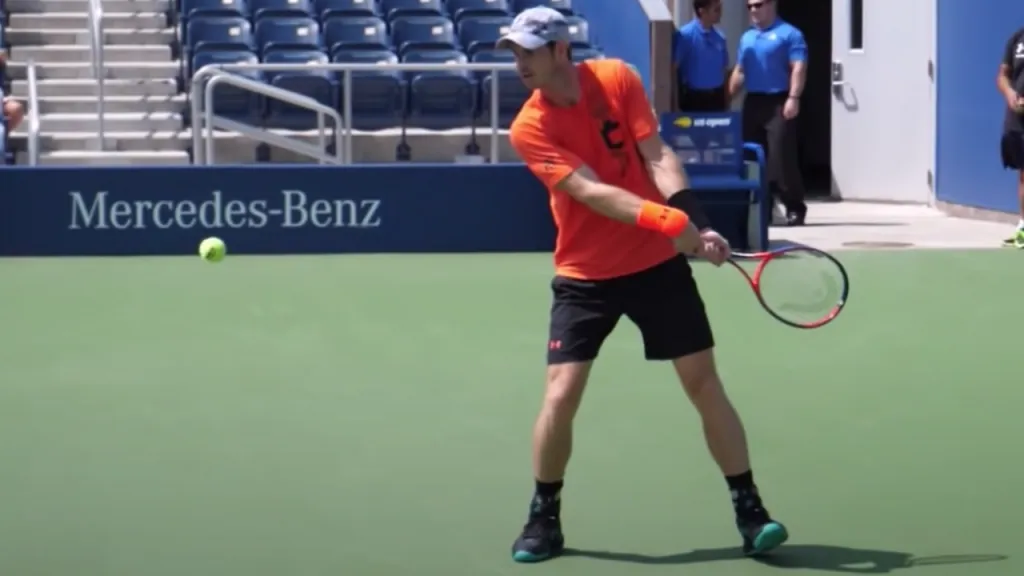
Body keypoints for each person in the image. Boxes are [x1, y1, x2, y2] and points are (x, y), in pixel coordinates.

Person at [499, 6, 789, 565]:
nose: (520, 64)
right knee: (560, 396)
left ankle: (751, 512)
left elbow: (657, 155)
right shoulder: (528, 128)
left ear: (560, 50)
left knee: (704, 383)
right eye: (513, 53)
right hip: (584, 276)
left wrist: (696, 221)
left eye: (528, 51)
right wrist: (669, 224)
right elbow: (589, 191)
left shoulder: (616, 78)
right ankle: (543, 518)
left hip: (656, 268)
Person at [728, 0, 808, 226]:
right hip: (753, 101)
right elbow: (740, 71)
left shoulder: (790, 34)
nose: (753, 10)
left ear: (771, 5)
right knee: (751, 155)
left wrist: (793, 98)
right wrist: (726, 99)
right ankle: (763, 206)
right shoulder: (747, 38)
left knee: (781, 156)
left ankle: (794, 206)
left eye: (758, 5)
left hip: (779, 101)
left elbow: (798, 68)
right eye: (749, 6)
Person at [673, 0, 729, 112]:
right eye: (716, 10)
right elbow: (674, 69)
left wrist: (726, 101)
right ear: (702, 11)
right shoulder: (685, 36)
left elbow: (724, 71)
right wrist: (675, 103)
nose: (720, 13)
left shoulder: (720, 38)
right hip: (693, 100)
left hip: (716, 99)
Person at [998, 26, 1024, 248]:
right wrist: (1010, 93)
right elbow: (1003, 76)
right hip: (1018, 120)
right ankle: (1023, 229)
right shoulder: (1016, 38)